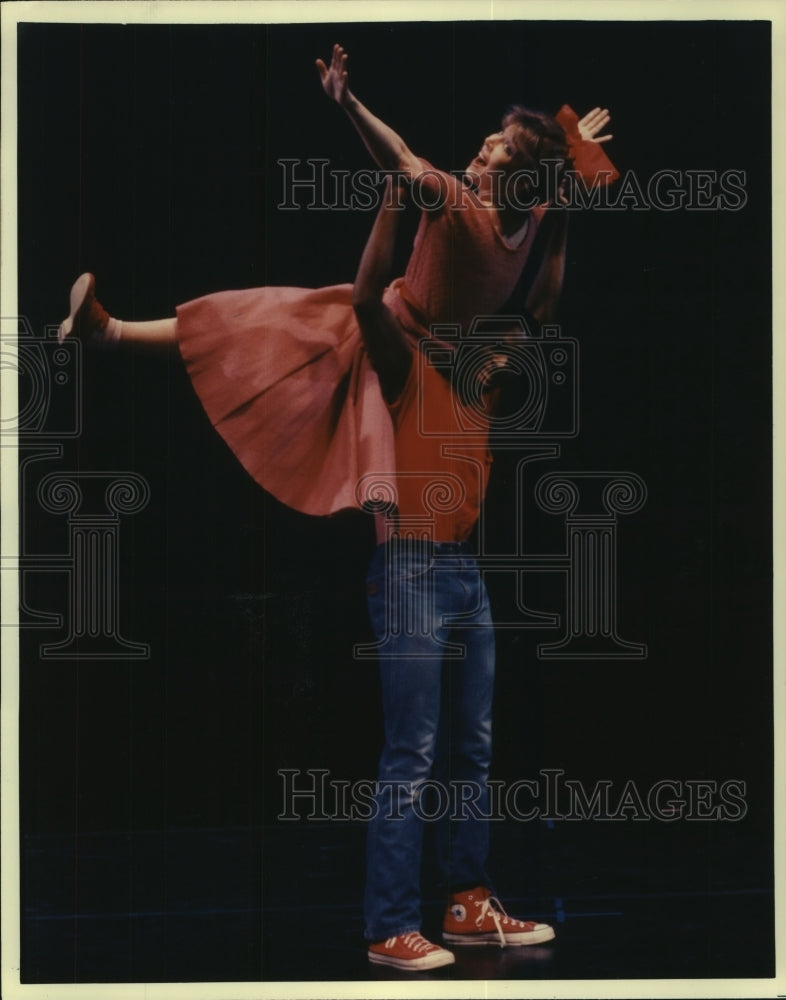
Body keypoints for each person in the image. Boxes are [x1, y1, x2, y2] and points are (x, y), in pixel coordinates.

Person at [57, 42, 619, 972]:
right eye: (481, 146)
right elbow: (382, 236)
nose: (476, 154)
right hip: (409, 566)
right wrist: (351, 110)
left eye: (494, 154)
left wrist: (564, 178)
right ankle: (389, 927)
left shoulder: (483, 367)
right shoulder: (407, 350)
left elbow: (545, 305)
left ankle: (470, 901)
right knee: (266, 325)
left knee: (470, 749)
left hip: (465, 574)